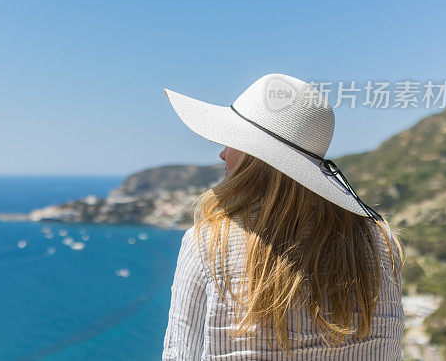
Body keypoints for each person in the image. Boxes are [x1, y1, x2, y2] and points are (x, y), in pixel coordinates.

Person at [161, 73, 404, 360]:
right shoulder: (380, 242)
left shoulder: (209, 243)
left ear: (255, 157)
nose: (223, 153)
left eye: (232, 140)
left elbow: (179, 354)